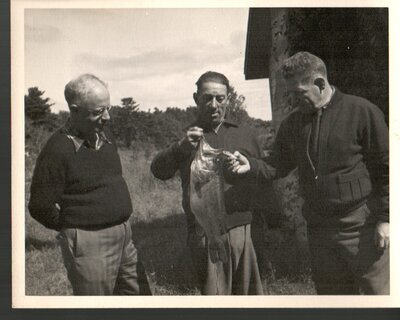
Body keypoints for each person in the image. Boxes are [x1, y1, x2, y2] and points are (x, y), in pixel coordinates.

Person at [233, 51, 389, 295]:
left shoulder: (362, 112)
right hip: (319, 232)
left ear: (319, 83)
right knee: (333, 303)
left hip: (362, 229)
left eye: (299, 93)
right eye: (291, 94)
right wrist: (251, 165)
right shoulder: (293, 124)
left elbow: (388, 167)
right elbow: (277, 164)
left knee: (378, 299)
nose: (294, 100)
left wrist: (386, 218)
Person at [29, 74, 151, 295]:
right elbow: (39, 206)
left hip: (125, 236)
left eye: (108, 108)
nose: (107, 117)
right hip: (88, 243)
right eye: (97, 112)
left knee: (138, 299)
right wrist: (75, 229)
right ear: (74, 110)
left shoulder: (105, 136)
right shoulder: (57, 150)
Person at [150, 71, 267, 295]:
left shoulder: (245, 134)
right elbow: (159, 171)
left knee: (249, 301)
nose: (214, 105)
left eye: (220, 98)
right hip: (206, 233)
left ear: (228, 99)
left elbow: (263, 177)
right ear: (196, 98)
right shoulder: (185, 136)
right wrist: (181, 147)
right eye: (207, 98)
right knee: (216, 300)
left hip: (243, 231)